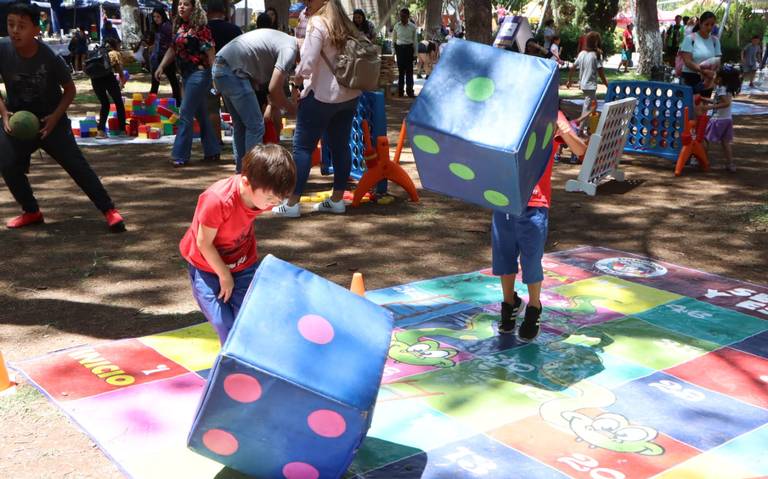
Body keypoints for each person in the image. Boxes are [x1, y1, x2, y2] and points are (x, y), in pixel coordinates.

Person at [0, 2, 125, 232]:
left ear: (36, 29)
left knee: (77, 166)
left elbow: (70, 90)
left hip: (52, 120)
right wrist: (4, 113)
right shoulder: (2, 49)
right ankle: (31, 211)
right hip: (19, 120)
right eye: (11, 24)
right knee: (6, 162)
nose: (15, 30)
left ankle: (109, 210)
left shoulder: (50, 57)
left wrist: (55, 118)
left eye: (22, 26)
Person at [179, 144, 296, 344]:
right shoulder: (217, 200)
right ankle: (231, 357)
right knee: (222, 321)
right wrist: (224, 275)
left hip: (242, 261)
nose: (274, 203)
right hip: (206, 264)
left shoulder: (262, 196)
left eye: (280, 199)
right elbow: (204, 243)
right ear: (246, 183)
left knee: (247, 316)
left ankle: (244, 356)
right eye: (270, 198)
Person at [494, 109, 586, 340]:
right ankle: (509, 304)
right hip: (504, 198)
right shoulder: (504, 110)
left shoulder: (552, 113)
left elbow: (580, 150)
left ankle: (534, 307)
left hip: (535, 202)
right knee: (504, 256)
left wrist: (563, 129)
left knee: (531, 258)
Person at [271, 0, 361, 218]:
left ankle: (292, 204)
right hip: (349, 95)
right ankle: (337, 200)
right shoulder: (346, 24)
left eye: (309, 0)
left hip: (321, 95)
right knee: (340, 146)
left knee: (302, 148)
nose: (306, 3)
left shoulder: (318, 23)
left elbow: (308, 63)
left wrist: (296, 82)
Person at [213, 28, 298, 172]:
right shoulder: (290, 49)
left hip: (220, 67)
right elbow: (274, 88)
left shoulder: (283, 42)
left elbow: (269, 89)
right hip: (233, 71)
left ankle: (242, 173)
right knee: (256, 126)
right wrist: (292, 109)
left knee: (241, 125)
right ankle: (252, 173)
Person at [156, 0, 221, 167]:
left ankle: (180, 155)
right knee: (201, 115)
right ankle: (213, 151)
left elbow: (211, 52)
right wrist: (161, 66)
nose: (181, 7)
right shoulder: (180, 27)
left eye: (186, 4)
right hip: (186, 75)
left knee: (185, 113)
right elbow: (173, 49)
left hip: (200, 74)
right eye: (180, 4)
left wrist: (216, 77)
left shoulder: (201, 29)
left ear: (193, 8)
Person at [206, 0, 242, 146]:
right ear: (224, 12)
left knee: (212, 109)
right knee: (236, 109)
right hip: (232, 73)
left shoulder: (204, 30)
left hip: (210, 73)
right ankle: (238, 140)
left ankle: (216, 141)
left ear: (208, 12)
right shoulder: (234, 30)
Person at [701, 66, 741, 172]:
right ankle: (730, 164)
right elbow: (718, 101)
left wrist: (710, 107)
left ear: (720, 78)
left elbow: (726, 103)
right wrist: (704, 99)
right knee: (725, 142)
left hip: (718, 120)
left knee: (704, 138)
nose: (714, 77)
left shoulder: (721, 89)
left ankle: (703, 161)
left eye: (716, 76)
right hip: (727, 119)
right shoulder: (726, 88)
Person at [568, 31, 608, 125]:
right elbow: (601, 73)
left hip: (582, 84)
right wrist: (607, 85)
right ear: (596, 42)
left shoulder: (582, 53)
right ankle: (578, 122)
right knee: (592, 107)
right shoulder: (596, 55)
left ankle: (587, 127)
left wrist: (569, 80)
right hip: (590, 86)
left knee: (588, 106)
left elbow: (572, 68)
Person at [679, 11, 721, 98]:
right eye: (707, 24)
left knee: (704, 104)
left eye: (712, 24)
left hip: (708, 79)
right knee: (690, 104)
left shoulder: (715, 41)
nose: (709, 27)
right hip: (690, 78)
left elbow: (718, 60)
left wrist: (713, 75)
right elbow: (687, 61)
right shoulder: (690, 39)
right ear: (700, 24)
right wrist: (703, 71)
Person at [91, 37, 127, 138]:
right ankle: (122, 129)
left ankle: (101, 131)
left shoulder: (96, 52)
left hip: (95, 79)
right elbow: (119, 69)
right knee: (119, 103)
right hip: (108, 78)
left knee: (105, 104)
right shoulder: (114, 53)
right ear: (114, 45)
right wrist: (121, 82)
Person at [149, 7, 181, 104]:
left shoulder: (167, 26)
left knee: (173, 80)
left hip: (166, 58)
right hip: (157, 58)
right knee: (155, 82)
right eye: (154, 16)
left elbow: (171, 43)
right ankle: (151, 103)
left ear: (162, 16)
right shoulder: (157, 27)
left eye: (158, 16)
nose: (156, 19)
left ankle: (178, 102)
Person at [392, 8, 417, 97]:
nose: (402, 18)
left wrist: (415, 54)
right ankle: (400, 91)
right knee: (401, 72)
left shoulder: (413, 27)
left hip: (409, 50)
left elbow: (415, 41)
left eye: (404, 16)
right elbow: (394, 40)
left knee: (409, 72)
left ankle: (410, 91)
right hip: (399, 50)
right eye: (401, 16)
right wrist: (393, 53)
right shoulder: (396, 26)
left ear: (408, 16)